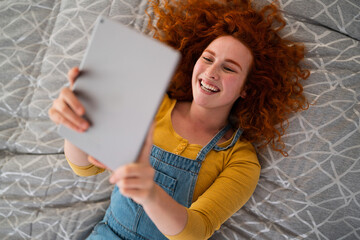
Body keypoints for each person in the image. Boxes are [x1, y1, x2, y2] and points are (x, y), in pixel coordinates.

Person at [48, 0, 309, 239]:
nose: (211, 71)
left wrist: (149, 192)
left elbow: (196, 232)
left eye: (229, 68)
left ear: (246, 89)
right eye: (207, 58)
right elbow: (85, 166)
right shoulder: (152, 103)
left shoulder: (240, 159)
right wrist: (75, 126)